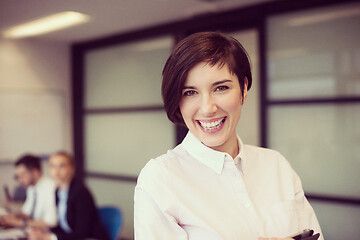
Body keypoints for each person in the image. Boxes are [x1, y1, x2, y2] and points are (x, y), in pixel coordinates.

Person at [134, 32, 324, 240]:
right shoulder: (160, 178)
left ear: (243, 88)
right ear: (177, 100)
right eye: (190, 92)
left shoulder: (276, 165)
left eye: (221, 88)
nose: (207, 108)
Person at [28, 151, 109, 240]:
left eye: (62, 166)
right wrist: (44, 232)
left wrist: (50, 237)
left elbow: (81, 233)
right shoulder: (58, 191)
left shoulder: (80, 193)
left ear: (72, 168)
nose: (56, 171)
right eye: (52, 166)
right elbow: (63, 226)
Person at [0, 154, 57, 228]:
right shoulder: (31, 187)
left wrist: (19, 222)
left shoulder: (51, 188)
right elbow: (26, 213)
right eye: (18, 176)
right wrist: (8, 218)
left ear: (35, 172)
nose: (20, 180)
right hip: (34, 231)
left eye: (23, 175)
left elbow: (50, 222)